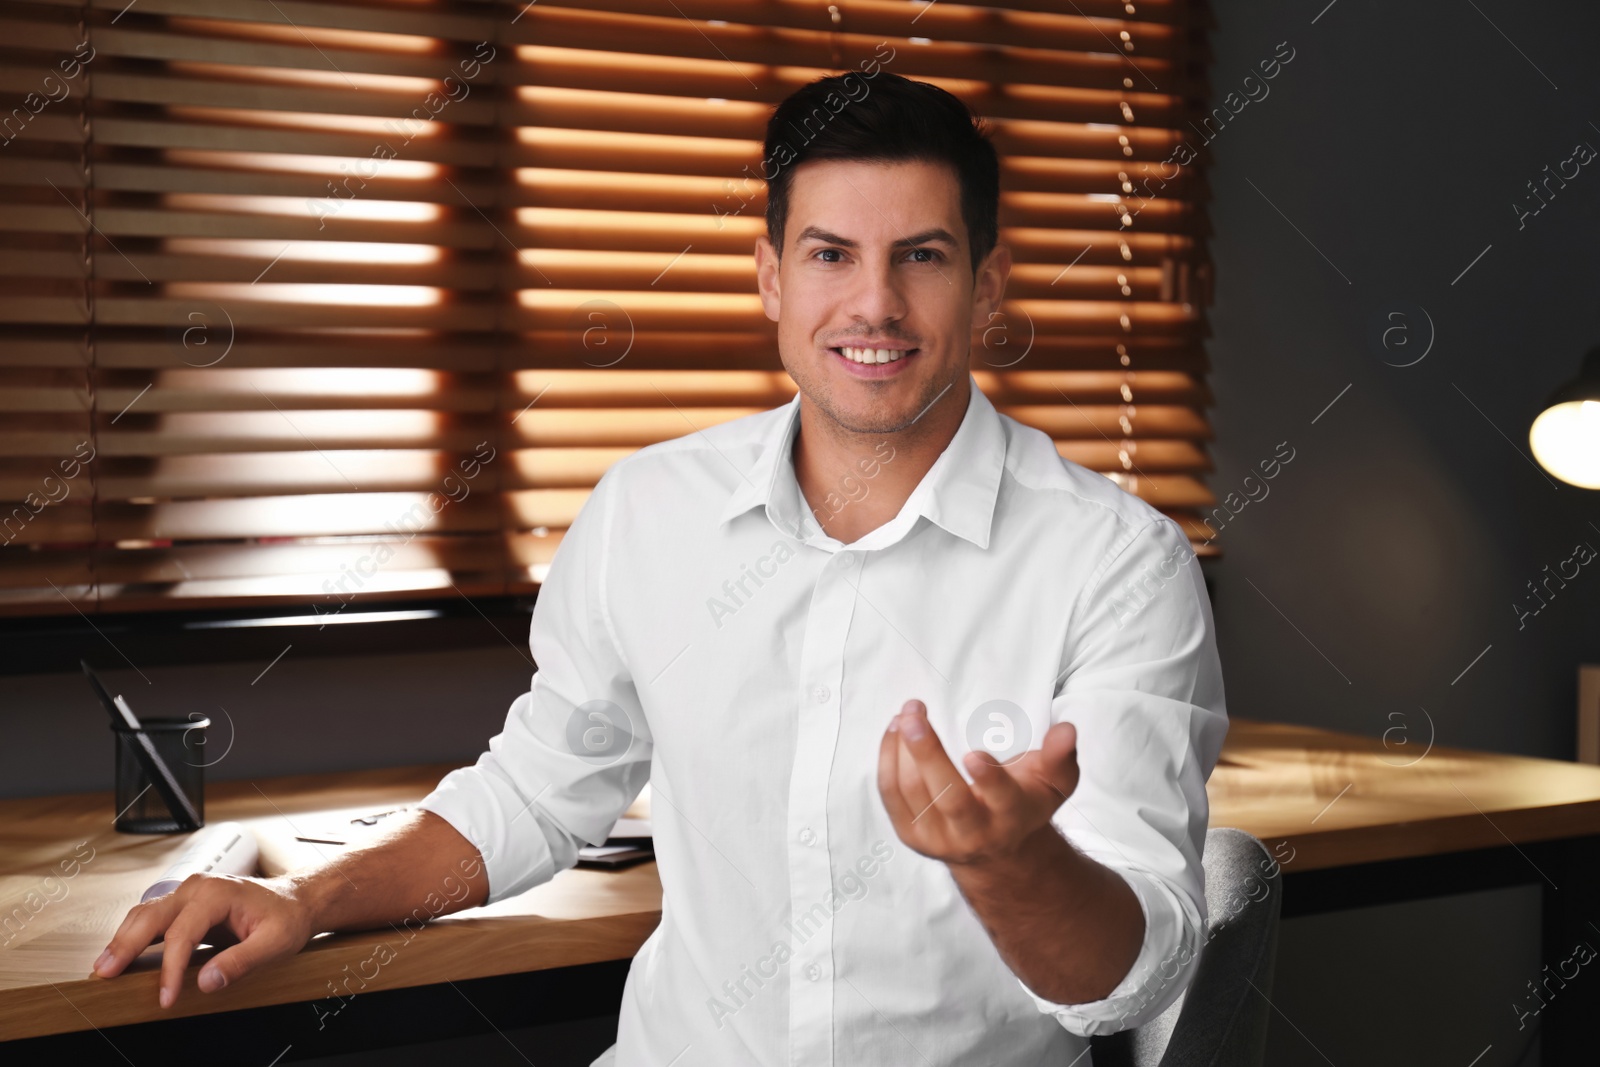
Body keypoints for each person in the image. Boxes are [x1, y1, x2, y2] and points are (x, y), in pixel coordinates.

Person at [93, 71, 1228, 1065]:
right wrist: (303, 896)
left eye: (920, 257)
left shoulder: (1114, 563)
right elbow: (535, 793)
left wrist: (1010, 863)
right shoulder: (648, 509)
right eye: (829, 253)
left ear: (986, 287)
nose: (872, 303)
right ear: (771, 278)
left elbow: (1130, 983)